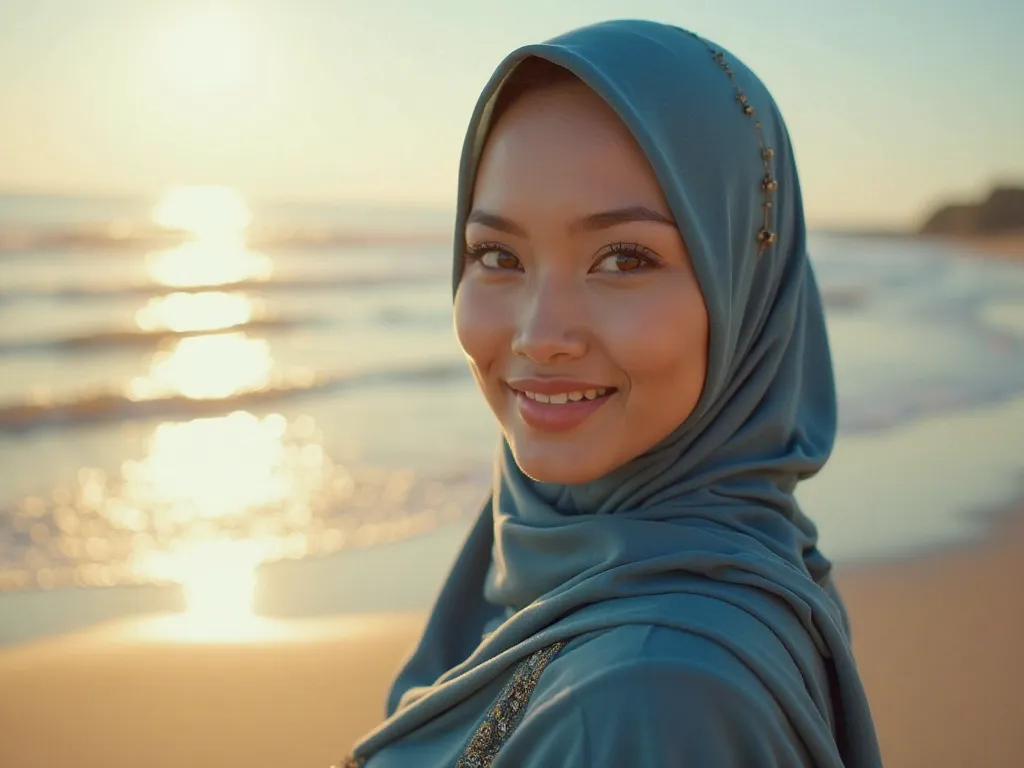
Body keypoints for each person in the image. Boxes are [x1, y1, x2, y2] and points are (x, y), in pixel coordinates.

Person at [340, 18, 883, 767]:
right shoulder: (710, 549)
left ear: (744, 292)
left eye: (624, 259)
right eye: (497, 255)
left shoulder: (650, 701)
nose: (541, 334)